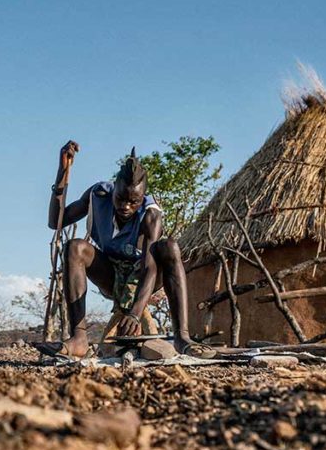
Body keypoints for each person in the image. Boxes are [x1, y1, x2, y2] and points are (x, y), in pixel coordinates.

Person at [43, 141, 212, 359]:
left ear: (143, 198)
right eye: (121, 199)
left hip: (142, 277)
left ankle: (182, 337)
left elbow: (150, 268)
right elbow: (56, 221)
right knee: (74, 247)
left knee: (169, 247)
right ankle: (78, 338)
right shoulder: (98, 195)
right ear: (114, 189)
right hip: (110, 275)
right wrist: (63, 171)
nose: (126, 207)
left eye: (134, 202)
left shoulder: (151, 216)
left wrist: (134, 313)